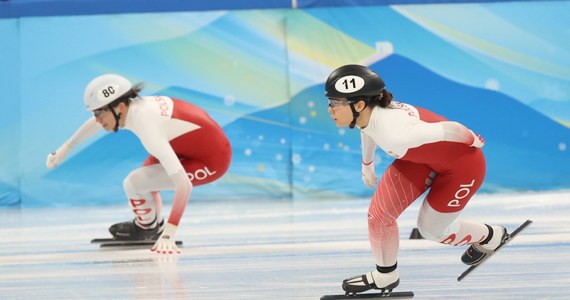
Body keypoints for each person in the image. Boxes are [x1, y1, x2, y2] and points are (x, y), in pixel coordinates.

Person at [324, 64, 508, 294]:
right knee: (379, 217)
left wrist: (472, 139)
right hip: (421, 161)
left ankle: (491, 235)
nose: (330, 109)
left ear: (359, 105)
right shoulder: (369, 115)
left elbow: (448, 129)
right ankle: (386, 275)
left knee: (430, 230)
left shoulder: (396, 132)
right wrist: (367, 164)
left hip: (463, 166)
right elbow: (366, 128)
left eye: (334, 103)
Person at [46, 74, 232, 254]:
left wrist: (170, 233)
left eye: (98, 113)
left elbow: (184, 185)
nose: (97, 120)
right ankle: (150, 226)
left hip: (212, 160)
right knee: (142, 184)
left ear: (119, 107)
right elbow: (97, 122)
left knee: (134, 183)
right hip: (187, 147)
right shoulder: (130, 108)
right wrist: (65, 148)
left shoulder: (149, 127)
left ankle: (150, 228)